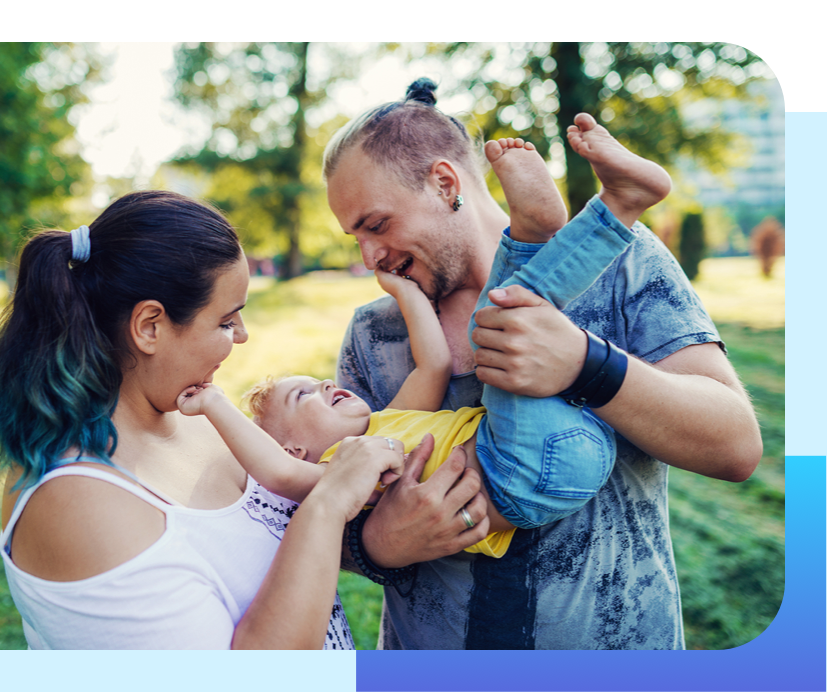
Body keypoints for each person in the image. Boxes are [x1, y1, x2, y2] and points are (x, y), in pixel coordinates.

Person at [325, 78, 762, 649]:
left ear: (444, 182)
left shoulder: (619, 259)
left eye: (376, 225)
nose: (369, 257)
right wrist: (378, 543)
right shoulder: (372, 333)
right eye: (354, 236)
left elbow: (735, 447)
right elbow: (313, 507)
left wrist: (586, 364)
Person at [177, 135, 667, 562]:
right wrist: (215, 404)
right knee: (501, 322)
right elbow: (278, 475)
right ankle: (563, 228)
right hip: (519, 472)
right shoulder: (338, 472)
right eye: (304, 396)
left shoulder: (390, 426)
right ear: (294, 449)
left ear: (446, 185)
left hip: (563, 439)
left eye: (377, 224)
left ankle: (572, 225)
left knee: (500, 317)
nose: (327, 383)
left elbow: (434, 361)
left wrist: (407, 295)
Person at [0, 190, 407, 649]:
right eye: (225, 321)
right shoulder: (79, 504)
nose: (241, 336)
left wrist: (384, 538)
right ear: (149, 326)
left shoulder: (195, 411)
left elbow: (276, 545)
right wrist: (329, 502)